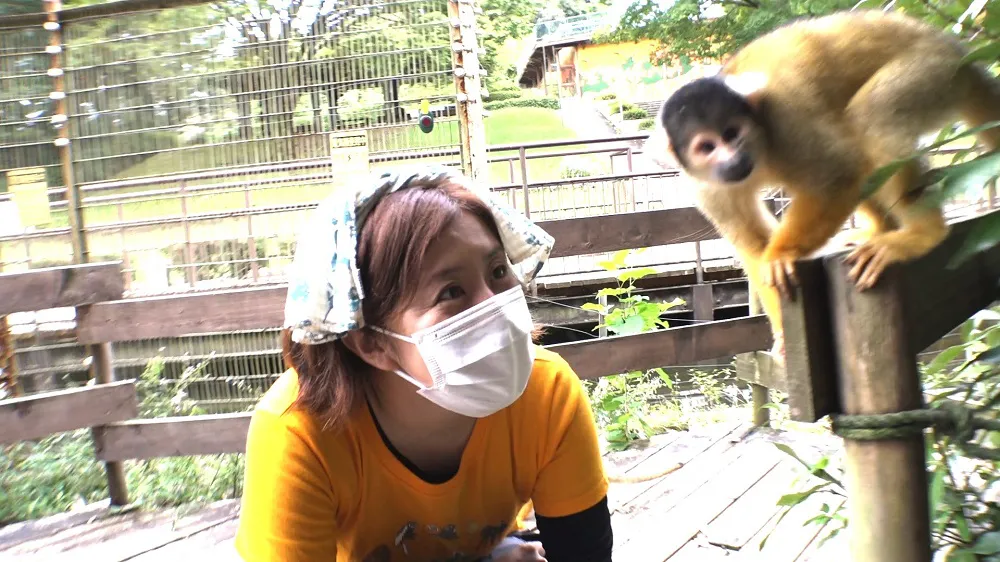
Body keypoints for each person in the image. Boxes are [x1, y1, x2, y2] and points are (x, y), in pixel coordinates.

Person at [234, 165, 613, 562]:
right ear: (370, 342)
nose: (495, 306)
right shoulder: (298, 431)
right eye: (451, 291)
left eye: (498, 271)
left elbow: (584, 553)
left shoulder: (547, 390)